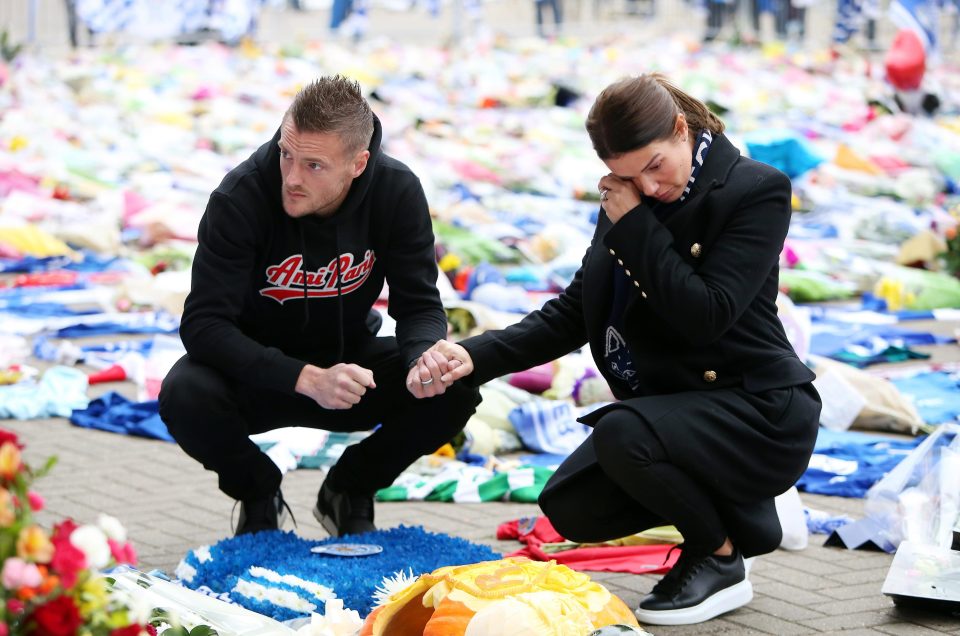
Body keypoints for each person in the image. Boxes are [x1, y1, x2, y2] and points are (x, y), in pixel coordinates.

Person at [416, 73, 821, 626]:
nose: (649, 187)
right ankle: (739, 515)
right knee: (571, 504)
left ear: (681, 129)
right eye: (628, 177)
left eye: (655, 166)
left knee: (620, 433)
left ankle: (720, 556)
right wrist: (476, 357)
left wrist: (633, 223)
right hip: (679, 410)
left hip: (758, 409)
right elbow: (575, 312)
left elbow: (706, 314)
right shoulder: (626, 203)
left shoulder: (754, 189)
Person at [158, 76, 478, 538]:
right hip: (256, 373)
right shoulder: (241, 196)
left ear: (358, 163)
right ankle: (258, 491)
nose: (291, 177)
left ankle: (349, 488)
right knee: (184, 393)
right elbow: (204, 325)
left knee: (454, 384)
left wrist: (423, 357)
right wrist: (304, 377)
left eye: (314, 165)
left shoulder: (396, 191)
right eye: (287, 154)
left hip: (350, 366)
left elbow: (420, 306)